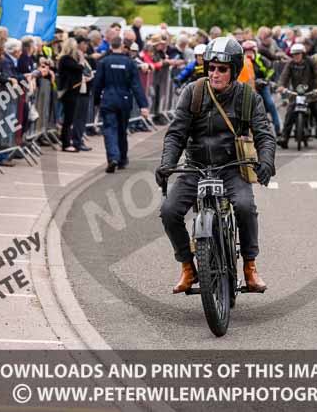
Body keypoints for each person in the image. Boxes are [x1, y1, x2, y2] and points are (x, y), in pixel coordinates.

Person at [155, 36, 276, 294]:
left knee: (245, 207)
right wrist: (167, 164)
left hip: (232, 167)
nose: (215, 73)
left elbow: (264, 134)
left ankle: (250, 267)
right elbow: (176, 134)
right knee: (169, 211)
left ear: (233, 70)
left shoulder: (247, 97)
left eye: (222, 69)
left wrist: (266, 161)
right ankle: (188, 267)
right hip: (196, 167)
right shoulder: (193, 92)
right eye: (211, 68)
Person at [90, 36, 150, 172]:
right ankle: (122, 159)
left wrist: (96, 101)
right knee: (122, 130)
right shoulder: (129, 63)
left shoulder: (104, 62)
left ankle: (113, 157)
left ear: (111, 46)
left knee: (110, 129)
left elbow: (97, 84)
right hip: (124, 100)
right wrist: (143, 106)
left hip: (109, 99)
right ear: (122, 46)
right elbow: (136, 86)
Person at [276, 43, 317, 148]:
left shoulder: (311, 62)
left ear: (303, 54)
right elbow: (284, 76)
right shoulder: (290, 64)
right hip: (297, 94)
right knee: (289, 113)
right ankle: (284, 137)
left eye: (298, 54)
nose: (296, 56)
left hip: (312, 93)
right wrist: (281, 86)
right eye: (294, 54)